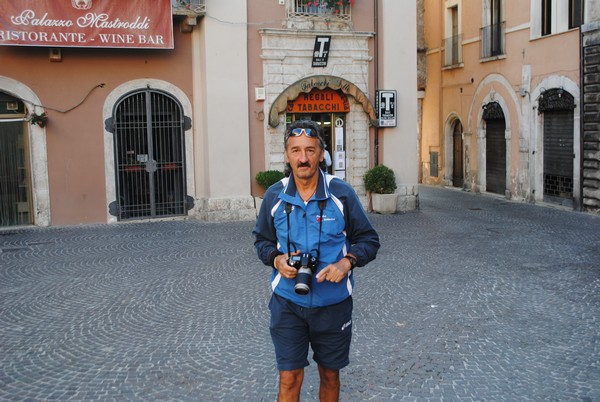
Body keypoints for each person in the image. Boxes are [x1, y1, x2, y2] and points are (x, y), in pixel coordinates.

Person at [253, 119, 380, 401]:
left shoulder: (341, 193)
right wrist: (276, 260)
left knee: (330, 376)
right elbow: (261, 241)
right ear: (286, 155)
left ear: (321, 153)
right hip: (287, 303)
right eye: (295, 150)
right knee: (289, 379)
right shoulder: (275, 195)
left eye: (310, 150)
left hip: (332, 304)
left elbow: (369, 240)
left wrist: (346, 263)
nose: (303, 158)